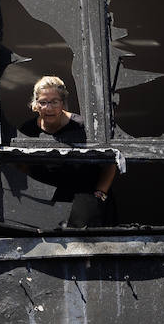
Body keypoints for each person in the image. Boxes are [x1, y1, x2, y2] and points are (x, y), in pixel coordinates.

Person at [18, 75, 115, 228]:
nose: (48, 108)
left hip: (84, 198)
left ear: (63, 103)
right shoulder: (28, 130)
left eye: (54, 102)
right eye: (43, 102)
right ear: (35, 104)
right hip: (46, 201)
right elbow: (21, 166)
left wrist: (99, 195)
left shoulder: (82, 127)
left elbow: (111, 161)